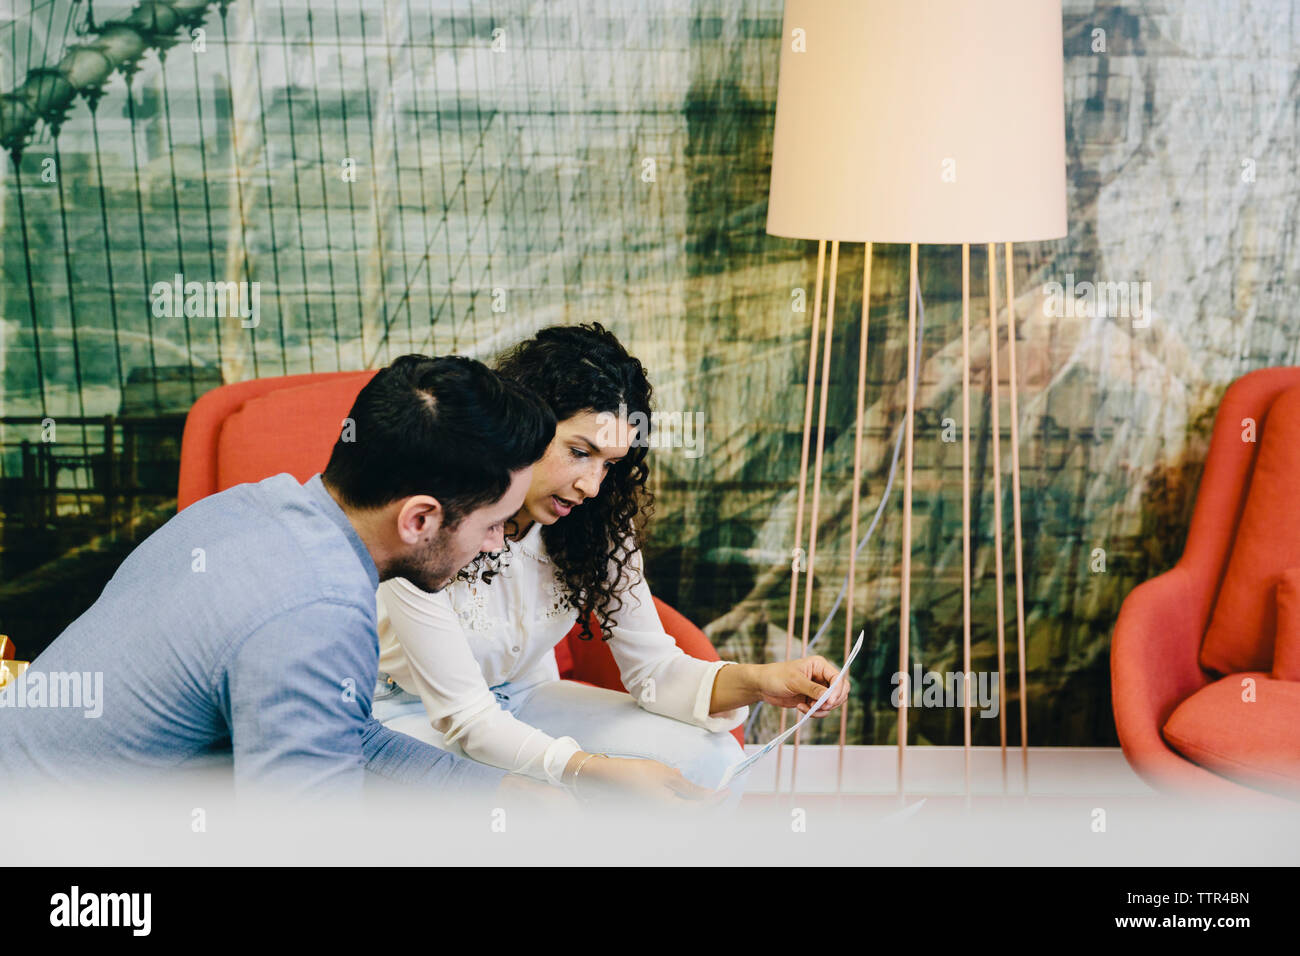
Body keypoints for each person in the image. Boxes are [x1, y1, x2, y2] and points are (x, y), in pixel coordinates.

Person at [0, 354, 555, 800]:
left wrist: (495, 791)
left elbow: (336, 729)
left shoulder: (246, 509)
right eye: (495, 522)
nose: (496, 541)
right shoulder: (318, 611)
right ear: (419, 519)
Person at [373, 325, 849, 805]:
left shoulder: (593, 520)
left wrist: (761, 681)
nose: (592, 485)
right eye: (579, 453)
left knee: (712, 759)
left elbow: (655, 671)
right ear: (521, 423)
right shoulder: (432, 519)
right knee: (540, 800)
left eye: (609, 464)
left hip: (524, 696)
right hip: (413, 714)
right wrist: (590, 770)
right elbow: (466, 719)